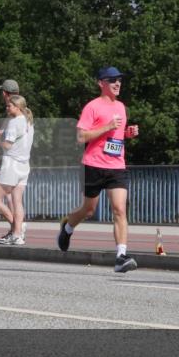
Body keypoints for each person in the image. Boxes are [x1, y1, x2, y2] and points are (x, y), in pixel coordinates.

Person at [57, 67, 140, 273]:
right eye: (112, 80)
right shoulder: (92, 107)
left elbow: (116, 137)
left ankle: (121, 257)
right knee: (89, 210)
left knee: (119, 209)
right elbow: (80, 137)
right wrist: (107, 127)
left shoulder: (121, 106)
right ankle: (67, 227)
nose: (117, 83)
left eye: (119, 80)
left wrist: (127, 134)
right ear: (101, 83)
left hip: (116, 166)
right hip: (93, 165)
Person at [0, 95, 34, 245]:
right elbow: (18, 139)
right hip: (24, 166)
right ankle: (17, 236)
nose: (7, 108)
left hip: (11, 165)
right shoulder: (28, 121)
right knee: (17, 202)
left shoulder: (14, 122)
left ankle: (16, 228)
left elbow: (8, 145)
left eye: (9, 106)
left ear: (17, 107)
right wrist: (1, 133)